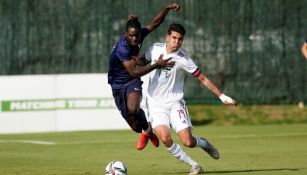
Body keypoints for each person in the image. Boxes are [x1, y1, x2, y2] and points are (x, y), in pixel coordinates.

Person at [143, 23, 238, 175]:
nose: (176, 41)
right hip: (155, 104)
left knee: (188, 142)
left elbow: (203, 78)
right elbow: (141, 63)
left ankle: (204, 143)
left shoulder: (184, 59)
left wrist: (222, 96)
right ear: (167, 37)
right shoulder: (154, 48)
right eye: (174, 38)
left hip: (175, 103)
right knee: (165, 138)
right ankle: (194, 165)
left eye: (180, 39)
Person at [107, 3, 180, 151]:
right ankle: (147, 131)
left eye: (137, 35)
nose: (134, 38)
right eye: (131, 35)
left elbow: (154, 23)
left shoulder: (139, 35)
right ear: (125, 34)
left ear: (140, 32)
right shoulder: (123, 48)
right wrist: (156, 65)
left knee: (133, 108)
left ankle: (146, 130)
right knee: (135, 127)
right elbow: (134, 71)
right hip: (118, 84)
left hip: (131, 81)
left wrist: (166, 8)